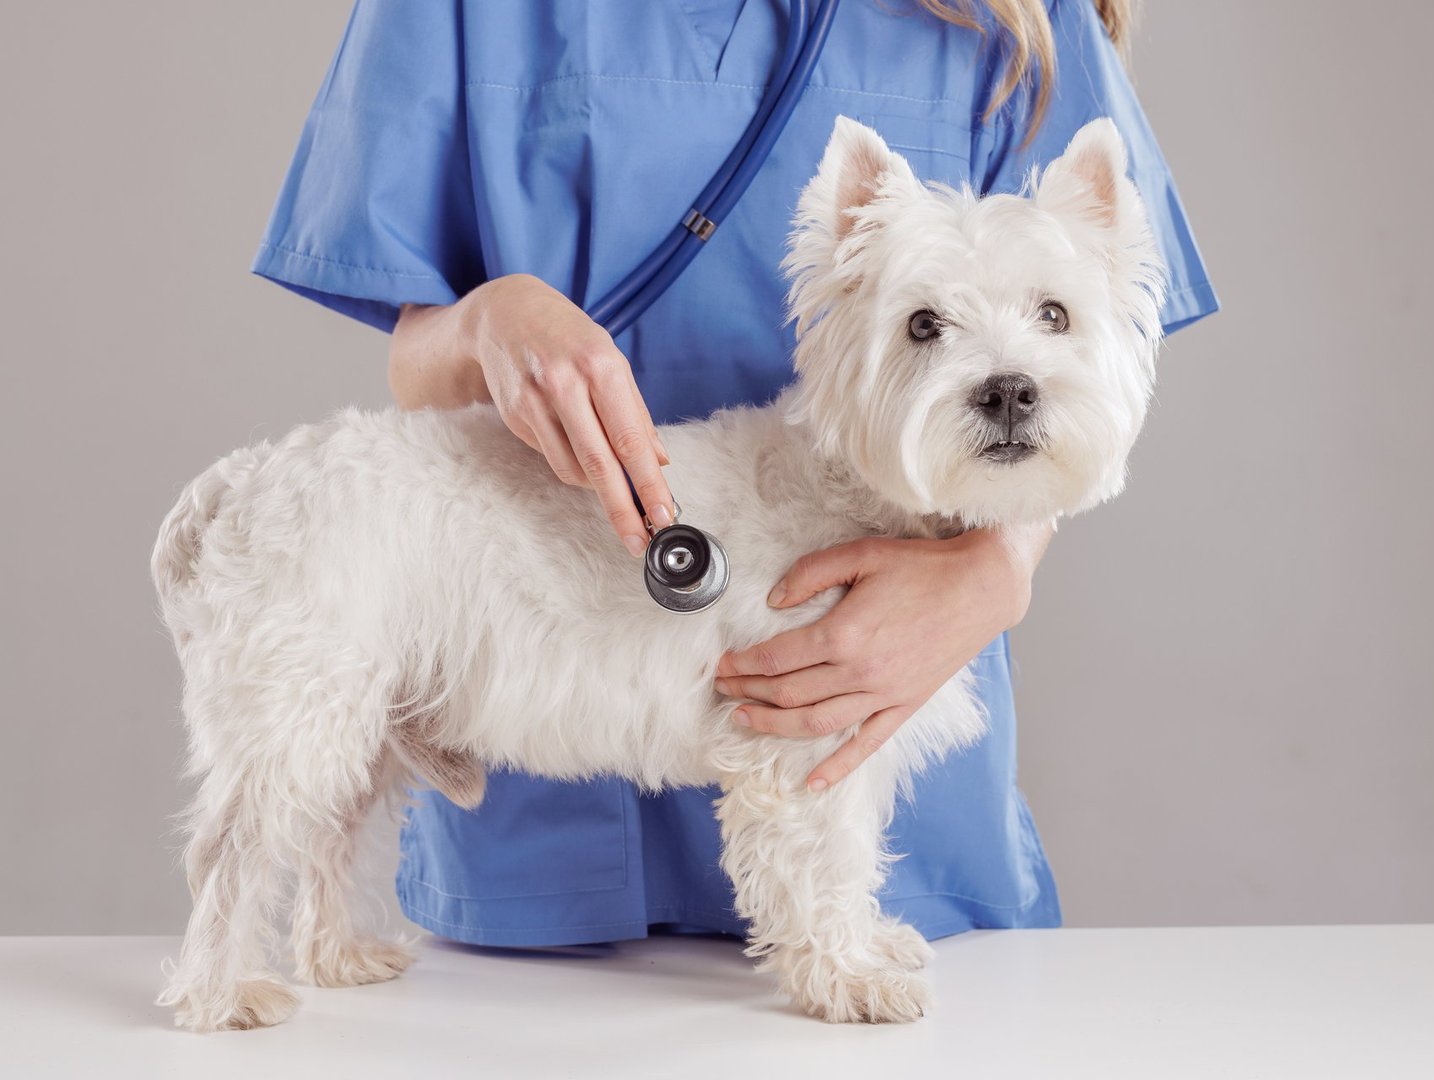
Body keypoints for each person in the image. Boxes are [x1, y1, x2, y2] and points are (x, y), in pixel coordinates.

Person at [251, 0, 1217, 947]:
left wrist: (994, 574)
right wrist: (483, 320)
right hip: (542, 773)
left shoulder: (1019, 13)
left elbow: (1083, 351)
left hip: (881, 739)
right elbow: (420, 374)